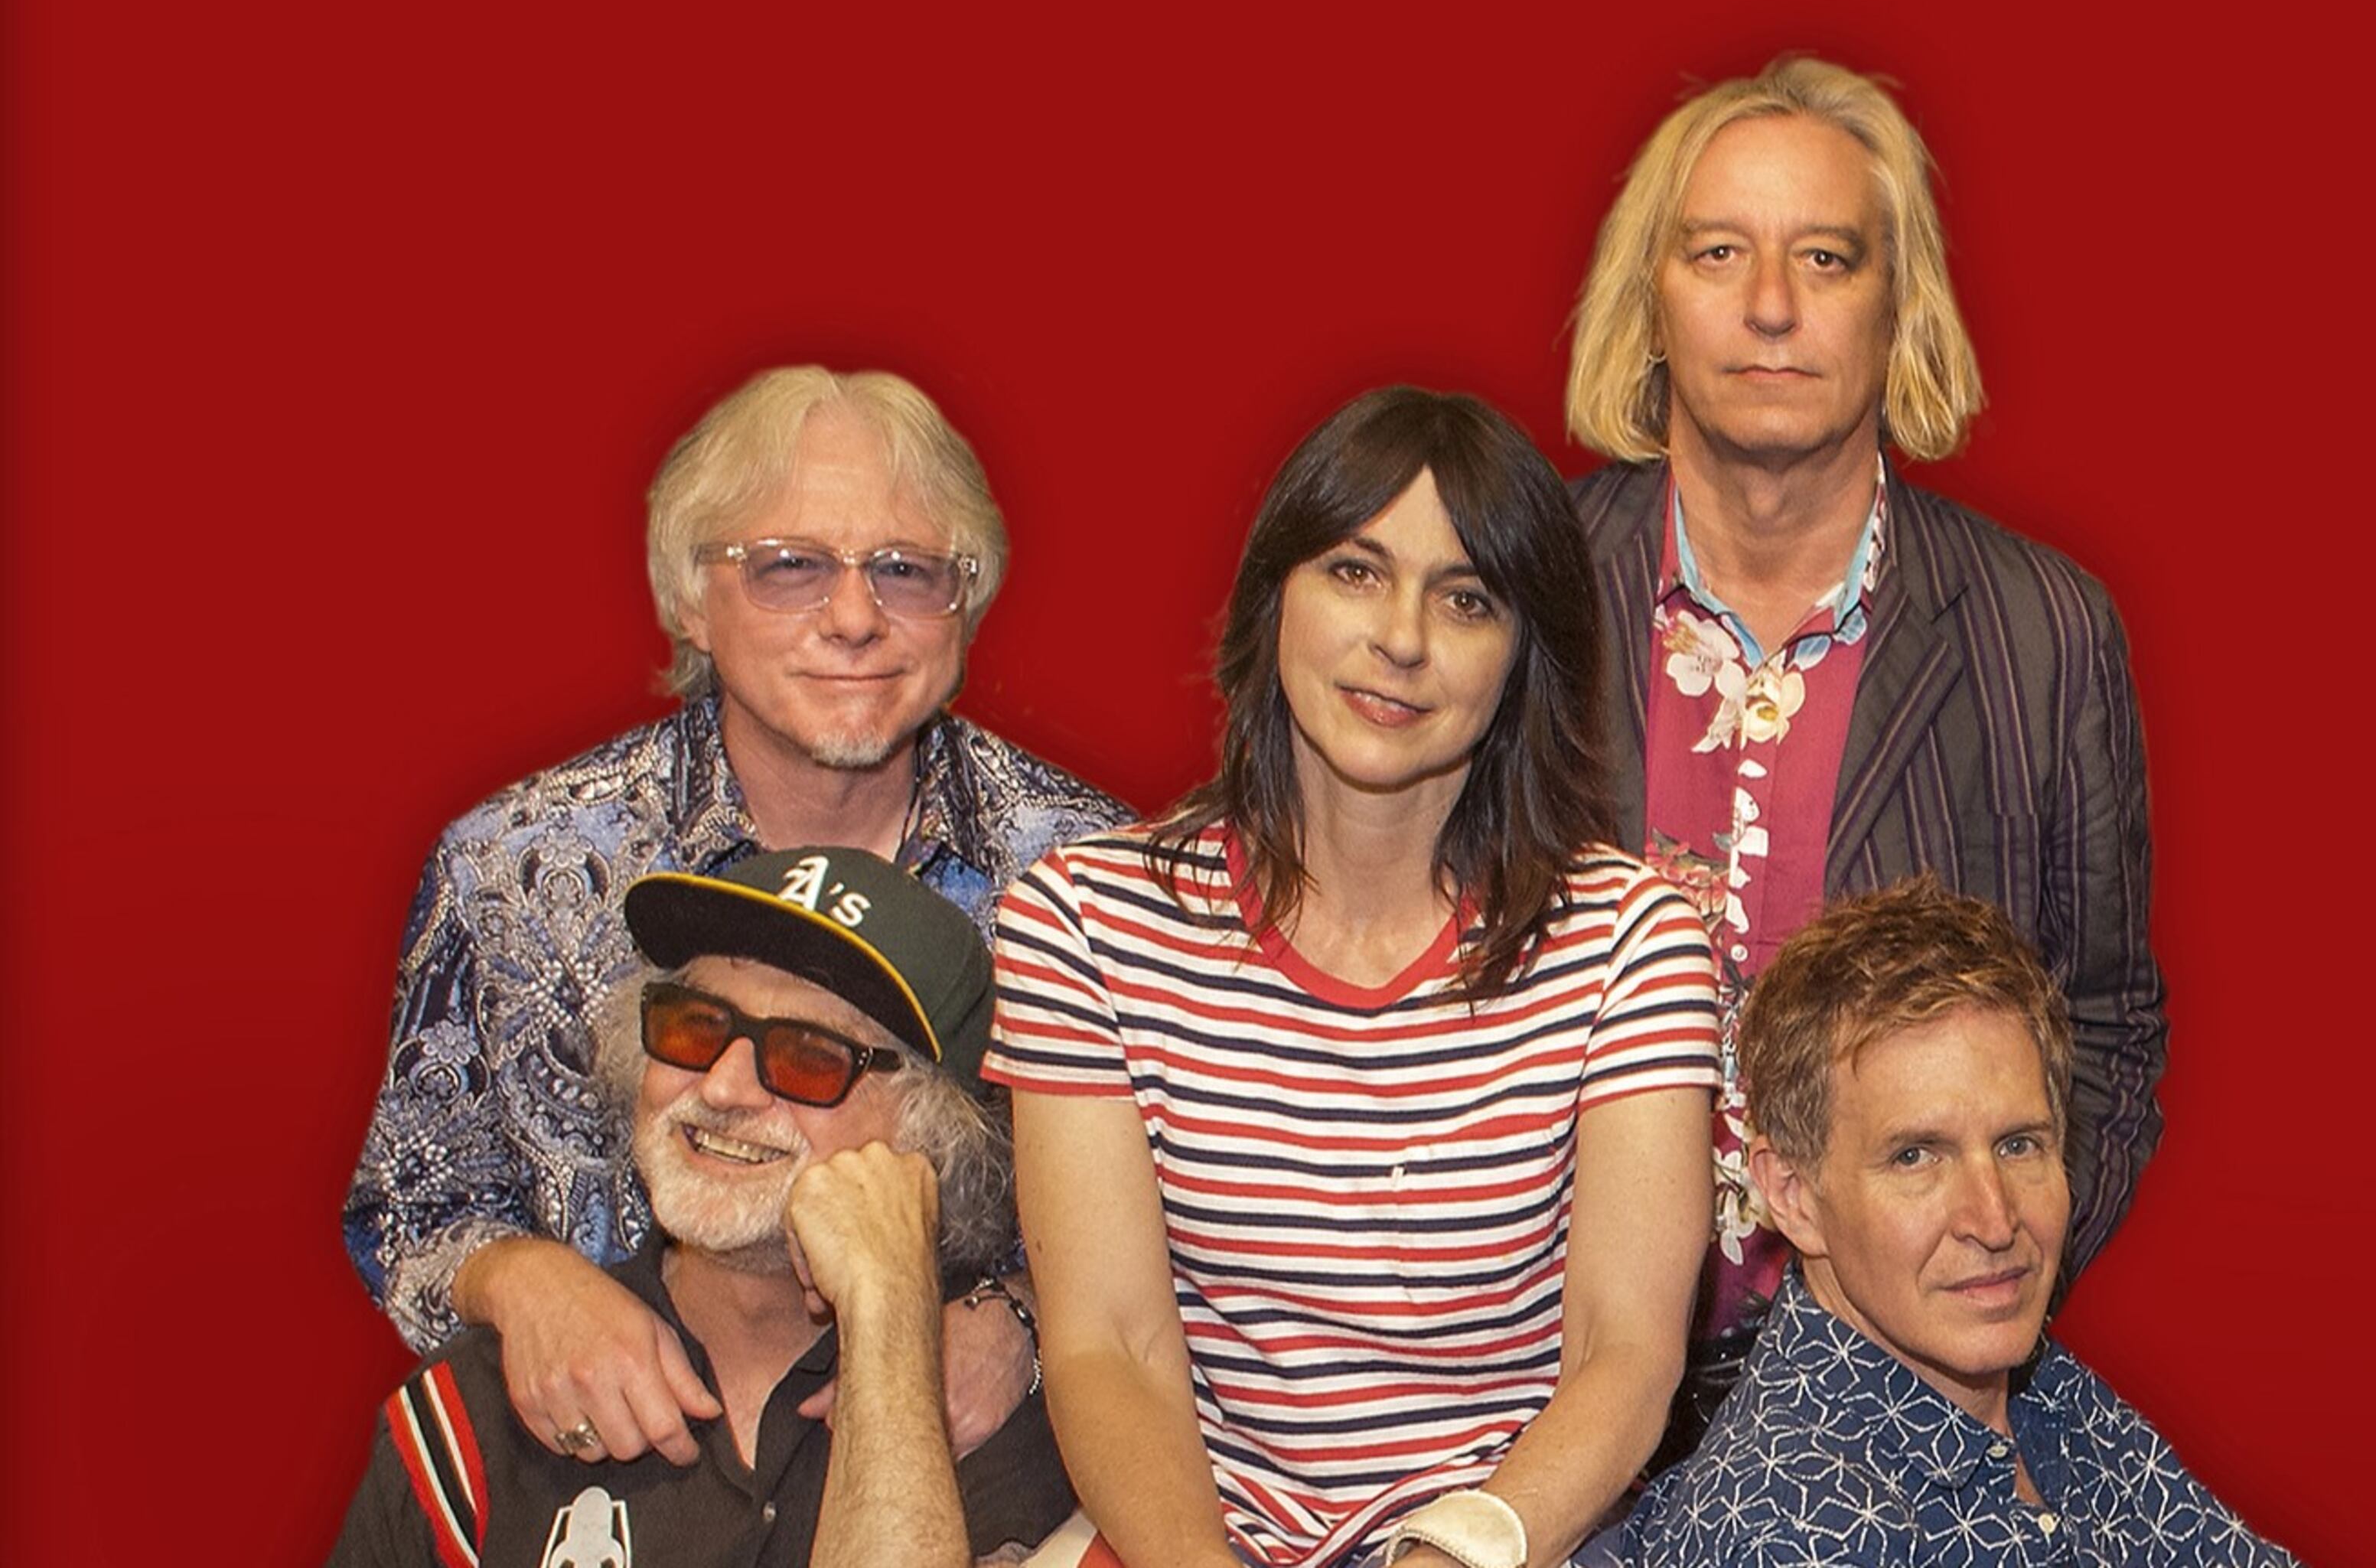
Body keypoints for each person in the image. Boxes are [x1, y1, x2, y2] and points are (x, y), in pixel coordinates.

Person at [985, 388, 1722, 1568]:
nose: (1403, 639)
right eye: (1355, 572)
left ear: (1524, 654)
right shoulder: (1084, 921)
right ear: (1274, 596)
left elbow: (1623, 1357)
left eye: (1467, 599)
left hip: (1513, 1539)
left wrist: (1446, 1557)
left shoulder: (1630, 942)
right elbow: (1108, 1349)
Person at [346, 367, 1126, 1469]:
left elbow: (1199, 1227)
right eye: (788, 567)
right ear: (687, 600)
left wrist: (1021, 1323)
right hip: (607, 1483)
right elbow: (412, 1205)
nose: (853, 619)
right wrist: (519, 1281)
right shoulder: (512, 867)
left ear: (967, 604)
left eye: (906, 570)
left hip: (974, 1491)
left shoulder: (1094, 880)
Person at [1562, 56, 2166, 1411]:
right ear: (1651, 302)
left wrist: (1960, 1310)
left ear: (1900, 308)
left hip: (1894, 1406)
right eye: (1718, 252)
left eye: (1826, 258)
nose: (1772, 305)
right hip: (1538, 1391)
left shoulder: (2043, 633)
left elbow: (2108, 1031)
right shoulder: (1522, 590)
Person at [331, 846, 1078, 1566]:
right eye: (694, 1027)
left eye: (808, 1056)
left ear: (938, 1132)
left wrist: (889, 1315)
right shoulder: (487, 1406)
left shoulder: (1011, 1411)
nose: (722, 1089)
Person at [1635, 879, 2293, 1567]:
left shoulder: (2038, 1387)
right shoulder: (1792, 1535)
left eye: (2019, 1145)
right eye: (1916, 1157)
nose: (1995, 1220)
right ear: (1794, 1196)